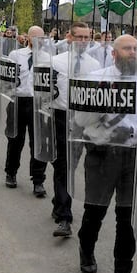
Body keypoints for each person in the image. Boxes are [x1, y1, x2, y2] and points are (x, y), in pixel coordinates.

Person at [75, 34, 137, 273]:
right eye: (127, 48)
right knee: (95, 211)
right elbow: (81, 119)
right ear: (114, 54)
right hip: (102, 155)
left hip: (133, 157)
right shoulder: (97, 78)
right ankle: (86, 247)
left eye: (136, 49)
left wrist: (136, 132)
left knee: (127, 219)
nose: (133, 52)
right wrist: (105, 112)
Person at [49, 22, 100, 239]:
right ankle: (64, 216)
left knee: (73, 164)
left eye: (86, 37)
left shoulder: (96, 65)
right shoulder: (56, 61)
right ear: (69, 37)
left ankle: (58, 201)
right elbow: (45, 90)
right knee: (63, 165)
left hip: (83, 121)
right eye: (78, 37)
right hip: (61, 117)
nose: (82, 41)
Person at [4, 26, 48, 196]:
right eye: (36, 38)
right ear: (28, 38)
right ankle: (11, 173)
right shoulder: (16, 55)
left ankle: (38, 180)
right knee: (15, 139)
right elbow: (7, 79)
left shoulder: (48, 58)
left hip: (37, 103)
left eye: (42, 38)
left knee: (38, 142)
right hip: (18, 101)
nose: (39, 41)